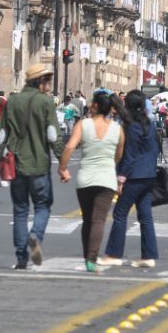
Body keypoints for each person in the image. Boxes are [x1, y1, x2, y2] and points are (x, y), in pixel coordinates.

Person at [0, 63, 64, 270]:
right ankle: (36, 235)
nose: (49, 85)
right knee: (43, 206)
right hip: (39, 165)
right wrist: (63, 163)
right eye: (47, 81)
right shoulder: (46, 103)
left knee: (20, 211)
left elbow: (0, 136)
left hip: (16, 165)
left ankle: (21, 258)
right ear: (39, 82)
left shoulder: (12, 101)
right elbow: (53, 135)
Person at [59, 90, 127, 272]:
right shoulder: (117, 128)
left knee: (87, 219)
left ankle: (86, 256)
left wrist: (63, 168)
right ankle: (92, 258)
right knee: (99, 220)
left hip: (85, 178)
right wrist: (109, 164)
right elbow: (119, 154)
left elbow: (70, 147)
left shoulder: (83, 124)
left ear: (96, 106)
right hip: (106, 178)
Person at [100, 90, 161, 269]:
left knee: (119, 214)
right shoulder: (148, 124)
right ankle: (149, 256)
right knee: (145, 217)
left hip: (134, 176)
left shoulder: (132, 125)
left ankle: (114, 254)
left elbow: (130, 154)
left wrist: (121, 178)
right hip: (149, 175)